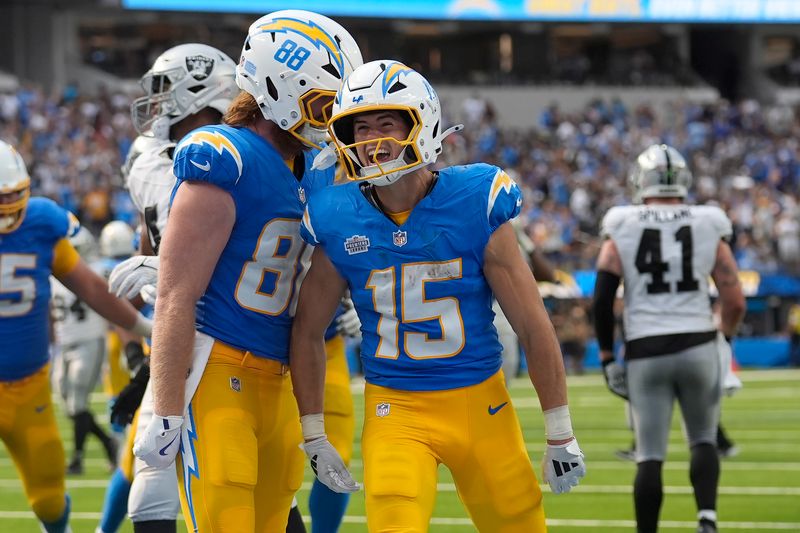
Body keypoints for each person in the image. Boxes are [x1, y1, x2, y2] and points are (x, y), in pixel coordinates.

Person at [291, 60, 585, 532]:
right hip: (395, 411)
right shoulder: (335, 214)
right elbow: (307, 331)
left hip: (480, 405)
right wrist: (313, 433)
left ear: (422, 123)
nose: (371, 140)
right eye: (359, 127)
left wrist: (559, 430)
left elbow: (533, 325)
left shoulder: (474, 199)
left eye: (386, 123)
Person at [132, 11, 363, 533]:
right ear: (281, 87)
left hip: (278, 381)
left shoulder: (315, 171)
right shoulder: (225, 155)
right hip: (218, 371)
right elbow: (175, 296)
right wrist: (165, 408)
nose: (333, 124)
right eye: (324, 106)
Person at [0, 140, 152, 533]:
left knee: (50, 499)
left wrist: (146, 329)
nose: (9, 206)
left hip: (26, 386)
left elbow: (93, 290)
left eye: (14, 195)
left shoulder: (40, 223)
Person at [592, 144, 746, 533]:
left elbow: (602, 297)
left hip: (646, 348)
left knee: (649, 455)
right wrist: (723, 339)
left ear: (640, 180)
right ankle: (707, 520)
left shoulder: (623, 222)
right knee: (704, 439)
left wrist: (608, 356)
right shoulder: (708, 219)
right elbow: (735, 299)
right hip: (697, 342)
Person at [50, 227, 119, 475]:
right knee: (67, 403)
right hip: (64, 345)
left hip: (89, 340)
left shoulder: (98, 270)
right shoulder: (51, 275)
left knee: (78, 401)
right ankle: (108, 443)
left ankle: (77, 458)